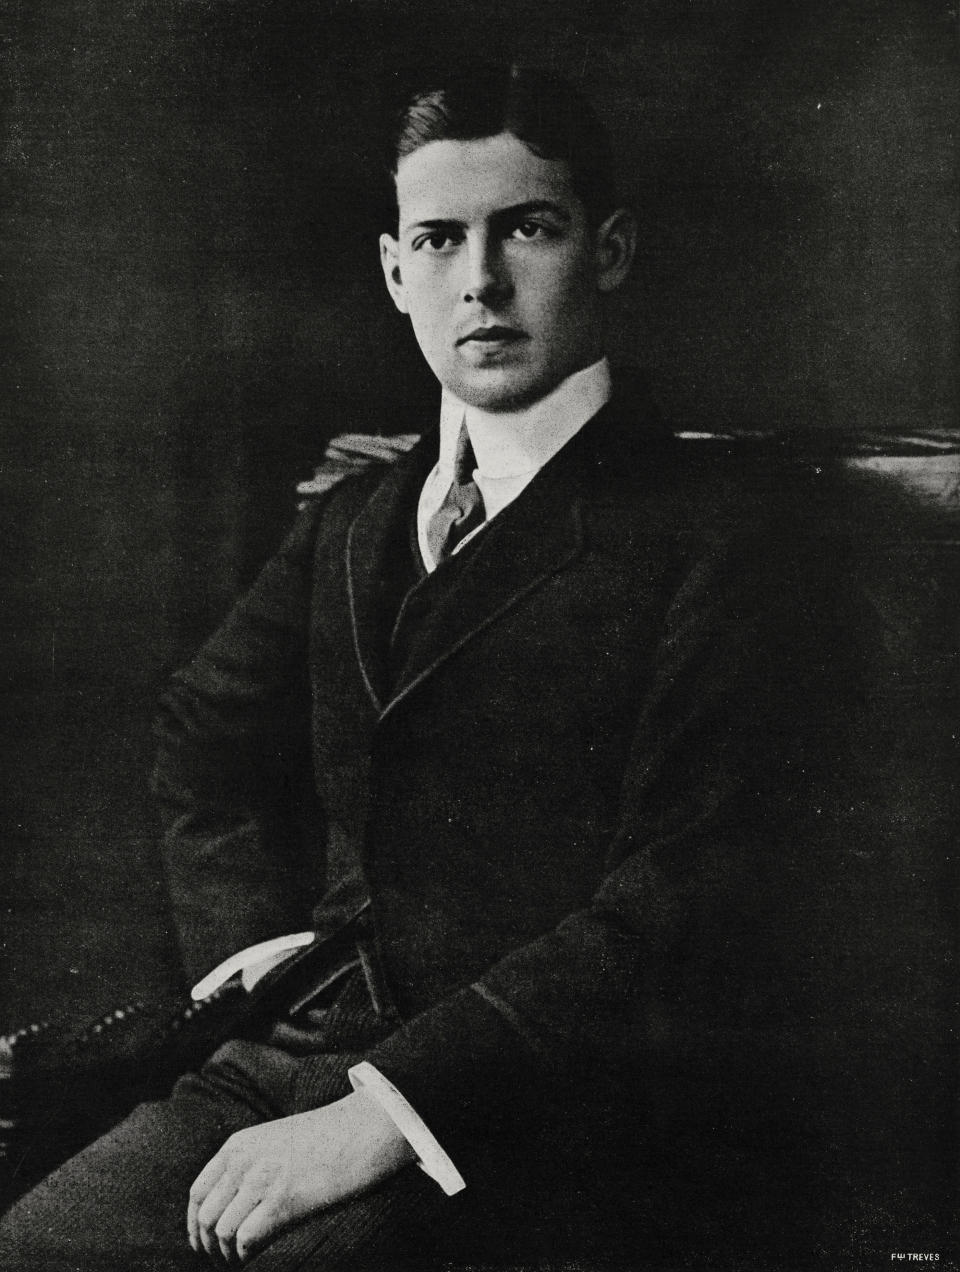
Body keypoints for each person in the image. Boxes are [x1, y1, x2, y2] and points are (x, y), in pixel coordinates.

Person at [0, 62, 910, 1271]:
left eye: (526, 228)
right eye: (437, 239)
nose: (478, 281)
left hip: (542, 1112)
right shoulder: (359, 516)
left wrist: (384, 1114)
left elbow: (686, 897)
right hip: (288, 1066)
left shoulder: (726, 537)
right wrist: (259, 962)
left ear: (613, 250)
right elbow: (204, 737)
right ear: (393, 272)